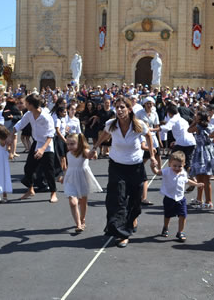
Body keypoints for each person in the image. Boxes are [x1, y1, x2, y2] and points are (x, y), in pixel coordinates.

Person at [88, 97, 157, 248]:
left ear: (129, 109)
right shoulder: (111, 124)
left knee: (135, 200)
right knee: (117, 199)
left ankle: (132, 219)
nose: (119, 110)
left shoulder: (138, 125)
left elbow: (149, 136)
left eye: (122, 107)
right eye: (117, 107)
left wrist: (152, 156)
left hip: (135, 167)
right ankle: (122, 234)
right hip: (116, 166)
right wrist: (95, 147)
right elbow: (105, 134)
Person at [12, 94, 58, 203]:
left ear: (31, 105)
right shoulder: (29, 114)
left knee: (49, 171)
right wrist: (11, 134)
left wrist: (42, 149)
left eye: (26, 103)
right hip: (36, 143)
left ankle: (53, 193)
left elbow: (50, 135)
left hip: (47, 145)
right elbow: (20, 124)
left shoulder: (46, 117)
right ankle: (30, 189)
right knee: (28, 168)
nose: (25, 104)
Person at [150, 151, 204, 243]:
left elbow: (187, 181)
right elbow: (157, 172)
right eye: (174, 166)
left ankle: (180, 232)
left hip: (180, 198)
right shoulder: (167, 171)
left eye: (180, 166)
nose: (177, 168)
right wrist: (153, 167)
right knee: (168, 215)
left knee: (183, 215)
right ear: (170, 163)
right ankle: (165, 227)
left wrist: (196, 184)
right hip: (169, 197)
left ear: (184, 165)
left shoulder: (183, 172)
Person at [64, 133, 102, 233]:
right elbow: (69, 167)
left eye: (72, 144)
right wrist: (63, 176)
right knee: (73, 202)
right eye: (68, 144)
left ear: (79, 143)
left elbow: (90, 155)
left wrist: (94, 153)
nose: (69, 146)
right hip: (71, 179)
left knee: (83, 202)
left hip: (82, 178)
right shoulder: (68, 154)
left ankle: (82, 218)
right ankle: (78, 224)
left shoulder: (83, 152)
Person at [187, 111, 214, 209]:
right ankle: (199, 199)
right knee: (201, 177)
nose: (195, 116)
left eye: (197, 116)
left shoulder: (198, 127)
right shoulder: (209, 127)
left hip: (201, 152)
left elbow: (188, 130)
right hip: (209, 151)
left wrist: (193, 122)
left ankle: (208, 201)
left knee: (204, 178)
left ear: (200, 118)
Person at [136, 96, 161, 205]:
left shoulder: (155, 114)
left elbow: (157, 127)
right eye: (148, 103)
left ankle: (159, 170)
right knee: (144, 159)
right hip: (143, 137)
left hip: (153, 137)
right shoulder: (139, 113)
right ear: (144, 104)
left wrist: (151, 129)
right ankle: (138, 170)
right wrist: (144, 129)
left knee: (157, 155)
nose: (150, 105)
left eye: (151, 103)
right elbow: (136, 124)